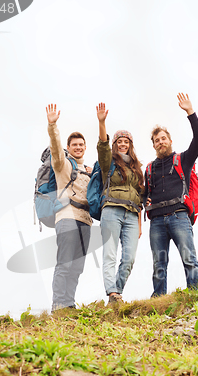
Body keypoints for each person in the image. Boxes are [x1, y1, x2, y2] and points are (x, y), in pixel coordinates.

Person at [144, 93, 198, 296]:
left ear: (170, 140)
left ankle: (195, 295)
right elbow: (145, 194)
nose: (160, 142)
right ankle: (159, 300)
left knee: (189, 259)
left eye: (163, 138)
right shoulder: (150, 168)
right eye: (156, 140)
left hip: (179, 216)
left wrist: (190, 112)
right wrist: (145, 200)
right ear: (153, 145)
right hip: (157, 221)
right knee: (158, 265)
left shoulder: (183, 160)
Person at [46, 104, 92, 311]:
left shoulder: (90, 170)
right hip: (66, 217)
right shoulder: (62, 164)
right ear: (69, 147)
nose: (78, 147)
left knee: (77, 267)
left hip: (85, 220)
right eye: (74, 145)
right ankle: (58, 303)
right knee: (64, 263)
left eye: (81, 144)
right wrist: (52, 125)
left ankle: (69, 304)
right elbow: (56, 148)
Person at [96, 102, 144, 304]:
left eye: (126, 141)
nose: (123, 144)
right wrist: (102, 122)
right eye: (119, 141)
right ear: (115, 144)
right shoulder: (109, 163)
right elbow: (103, 146)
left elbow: (140, 197)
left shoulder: (137, 168)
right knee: (110, 254)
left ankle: (117, 291)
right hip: (112, 211)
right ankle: (113, 293)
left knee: (129, 258)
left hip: (132, 214)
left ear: (130, 145)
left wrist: (140, 224)